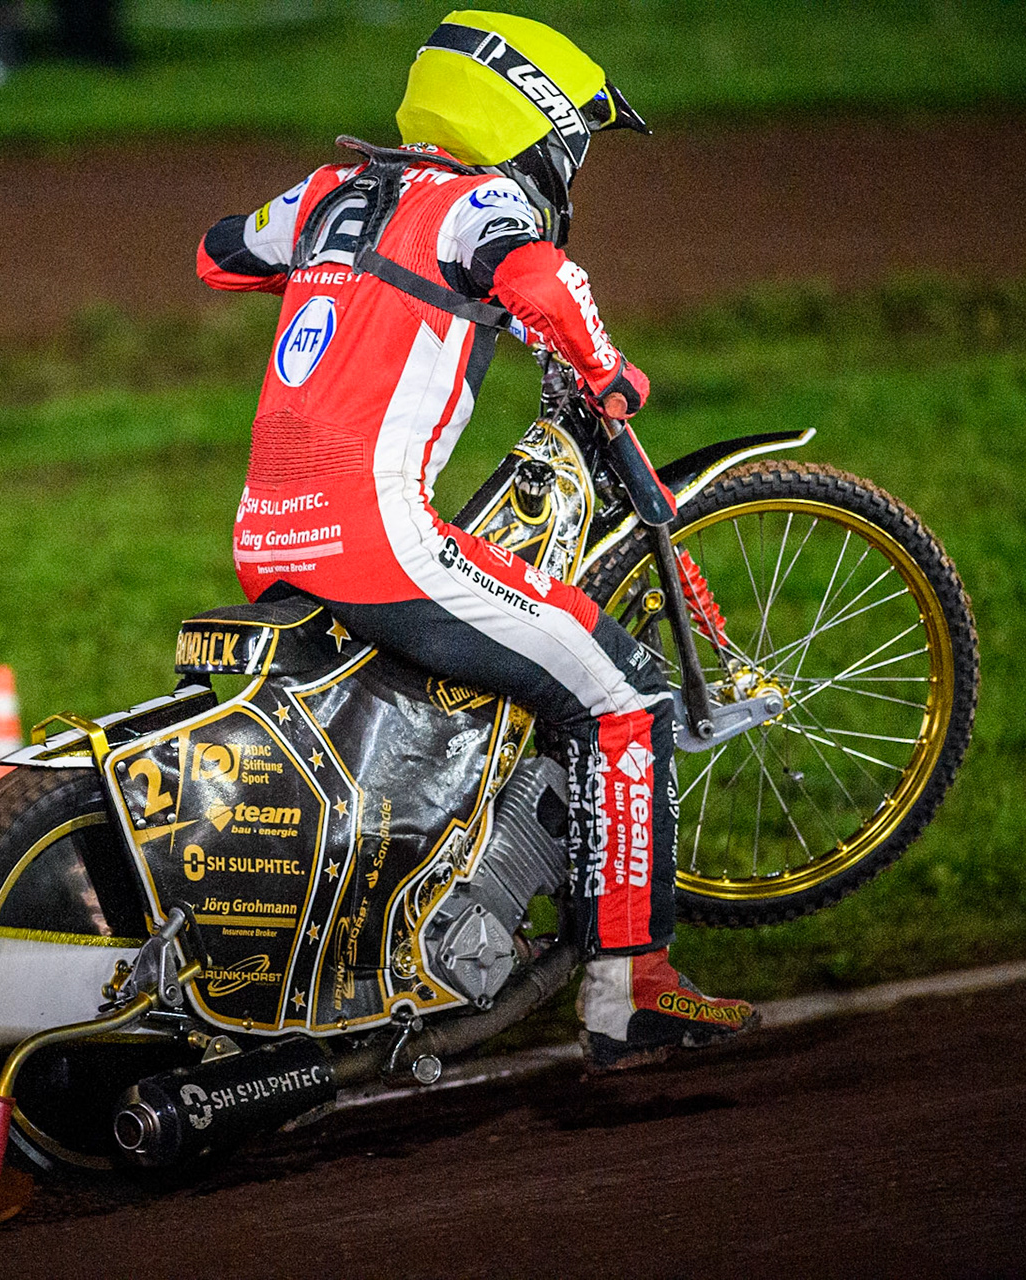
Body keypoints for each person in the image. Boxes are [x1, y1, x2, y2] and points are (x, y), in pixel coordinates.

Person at [196, 11, 756, 1070]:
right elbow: (537, 279)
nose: (571, 168)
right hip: (375, 537)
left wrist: (335, 269)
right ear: (531, 118)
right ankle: (626, 983)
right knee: (624, 689)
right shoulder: (477, 200)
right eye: (574, 143)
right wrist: (607, 371)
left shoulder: (330, 194)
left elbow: (220, 254)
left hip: (267, 536)